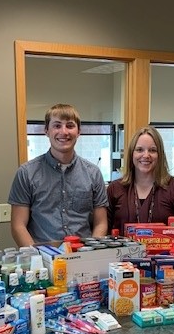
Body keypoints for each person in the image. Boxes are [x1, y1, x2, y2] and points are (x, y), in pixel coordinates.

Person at [9, 103, 108, 246]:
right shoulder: (26, 173)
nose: (64, 131)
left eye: (70, 126)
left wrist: (92, 252)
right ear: (46, 131)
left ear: (78, 131)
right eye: (57, 125)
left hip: (83, 253)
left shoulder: (93, 174)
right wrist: (36, 255)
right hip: (42, 256)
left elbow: (101, 223)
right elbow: (18, 226)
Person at [107, 125, 174, 235]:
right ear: (131, 154)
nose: (146, 155)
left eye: (152, 150)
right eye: (139, 150)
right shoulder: (114, 189)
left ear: (160, 155)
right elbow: (105, 233)